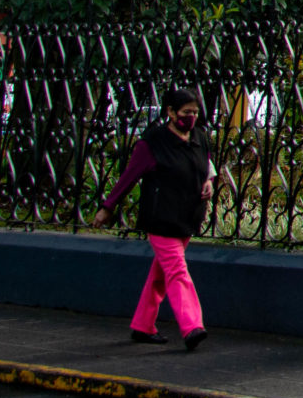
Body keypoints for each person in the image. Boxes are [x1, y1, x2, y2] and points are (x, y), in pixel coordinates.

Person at [93, 87, 219, 351]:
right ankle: (192, 325)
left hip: (187, 216)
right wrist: (107, 207)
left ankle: (142, 324)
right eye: (186, 112)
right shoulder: (152, 144)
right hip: (161, 218)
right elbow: (128, 178)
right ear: (170, 112)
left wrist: (208, 181)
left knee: (161, 274)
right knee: (177, 270)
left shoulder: (199, 138)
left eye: (195, 112)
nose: (191, 118)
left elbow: (206, 165)